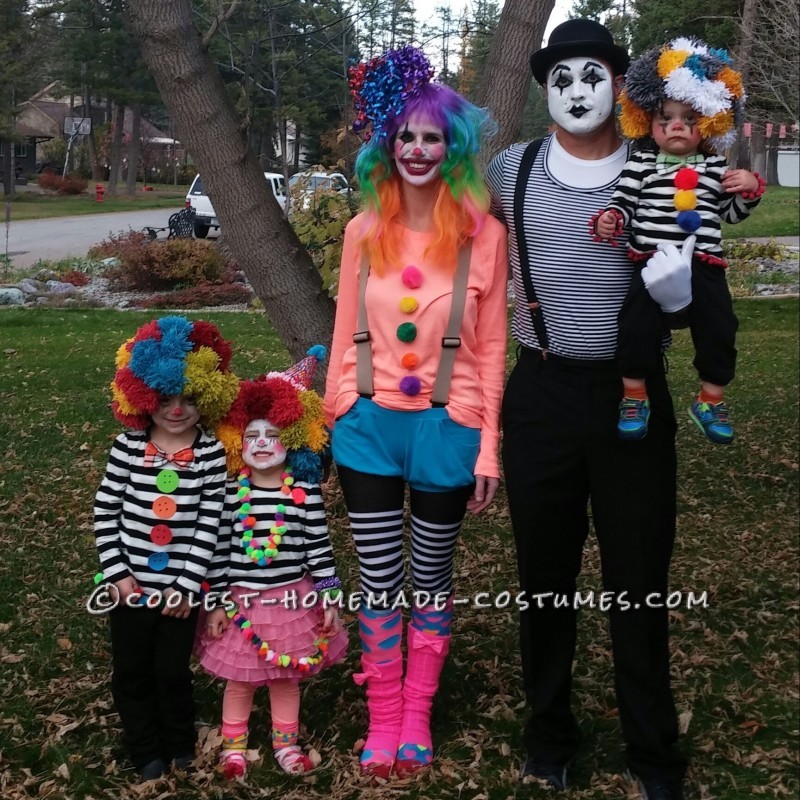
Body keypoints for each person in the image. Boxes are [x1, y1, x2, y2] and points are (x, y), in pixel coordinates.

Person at [486, 19, 695, 800]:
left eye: (592, 75)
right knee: (544, 577)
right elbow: (451, 242)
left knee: (639, 579)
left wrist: (677, 301)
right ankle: (550, 738)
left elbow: (698, 267)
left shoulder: (657, 166)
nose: (577, 90)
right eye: (561, 78)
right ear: (546, 89)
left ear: (619, 84)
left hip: (632, 395)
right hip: (540, 391)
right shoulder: (512, 168)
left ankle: (653, 754)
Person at [325, 45, 508, 779]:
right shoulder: (362, 231)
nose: (418, 149)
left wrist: (488, 446)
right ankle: (382, 715)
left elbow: (493, 351)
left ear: (452, 148)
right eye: (406, 136)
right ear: (387, 146)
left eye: (433, 138)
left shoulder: (483, 236)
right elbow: (343, 330)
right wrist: (340, 405)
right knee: (377, 578)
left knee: (429, 577)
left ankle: (418, 715)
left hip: (447, 431)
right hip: (367, 429)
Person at [592, 37, 764, 443]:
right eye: (665, 117)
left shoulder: (716, 166)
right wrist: (610, 219)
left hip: (705, 263)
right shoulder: (642, 163)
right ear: (647, 122)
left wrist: (749, 190)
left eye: (689, 118)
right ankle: (634, 396)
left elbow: (730, 216)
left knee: (721, 326)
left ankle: (711, 398)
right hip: (650, 263)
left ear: (708, 122)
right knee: (635, 326)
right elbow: (623, 202)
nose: (676, 125)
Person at [93, 316, 239, 781]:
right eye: (166, 399)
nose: (177, 410)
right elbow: (105, 513)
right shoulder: (127, 448)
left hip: (181, 593)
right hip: (129, 588)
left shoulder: (212, 454)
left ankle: (178, 742)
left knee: (172, 671)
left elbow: (213, 525)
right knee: (132, 670)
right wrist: (117, 574)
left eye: (190, 400)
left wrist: (187, 586)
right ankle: (145, 748)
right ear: (144, 398)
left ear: (207, 398)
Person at [199, 347, 348, 780]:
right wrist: (217, 602)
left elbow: (320, 550)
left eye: (273, 435)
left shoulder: (304, 494)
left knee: (285, 678)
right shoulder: (230, 495)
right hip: (241, 602)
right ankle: (234, 748)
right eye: (252, 436)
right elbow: (219, 553)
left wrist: (330, 598)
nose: (262, 444)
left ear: (294, 439)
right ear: (236, 442)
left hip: (291, 603)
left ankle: (287, 744)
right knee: (241, 679)